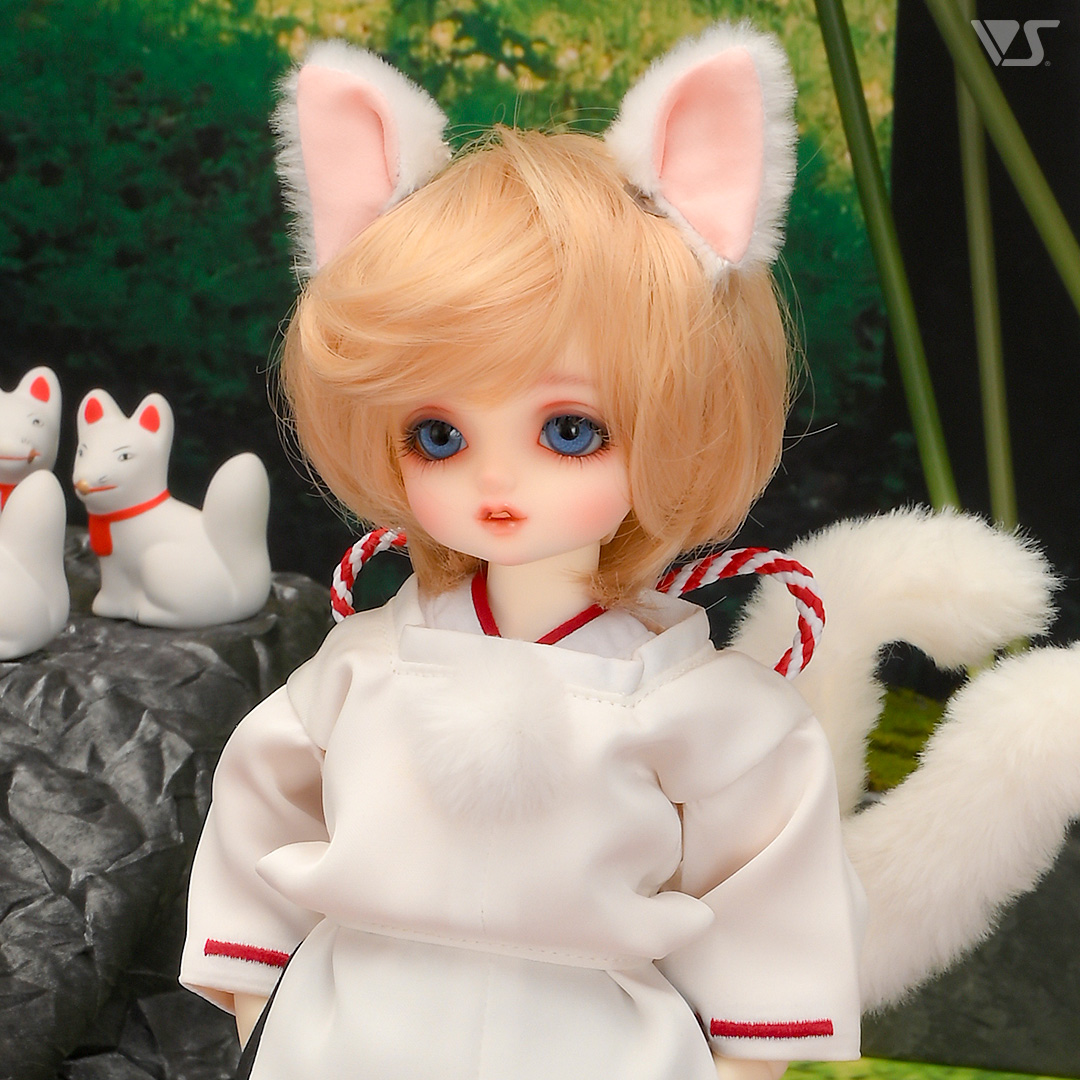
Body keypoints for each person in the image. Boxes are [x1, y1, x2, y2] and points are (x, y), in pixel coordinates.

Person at [180, 23, 864, 1080]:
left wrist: (745, 1055)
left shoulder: (705, 709)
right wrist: (261, 996)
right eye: (438, 435)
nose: (497, 483)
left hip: (596, 1043)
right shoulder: (364, 665)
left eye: (571, 431)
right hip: (354, 1028)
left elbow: (771, 882)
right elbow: (261, 802)